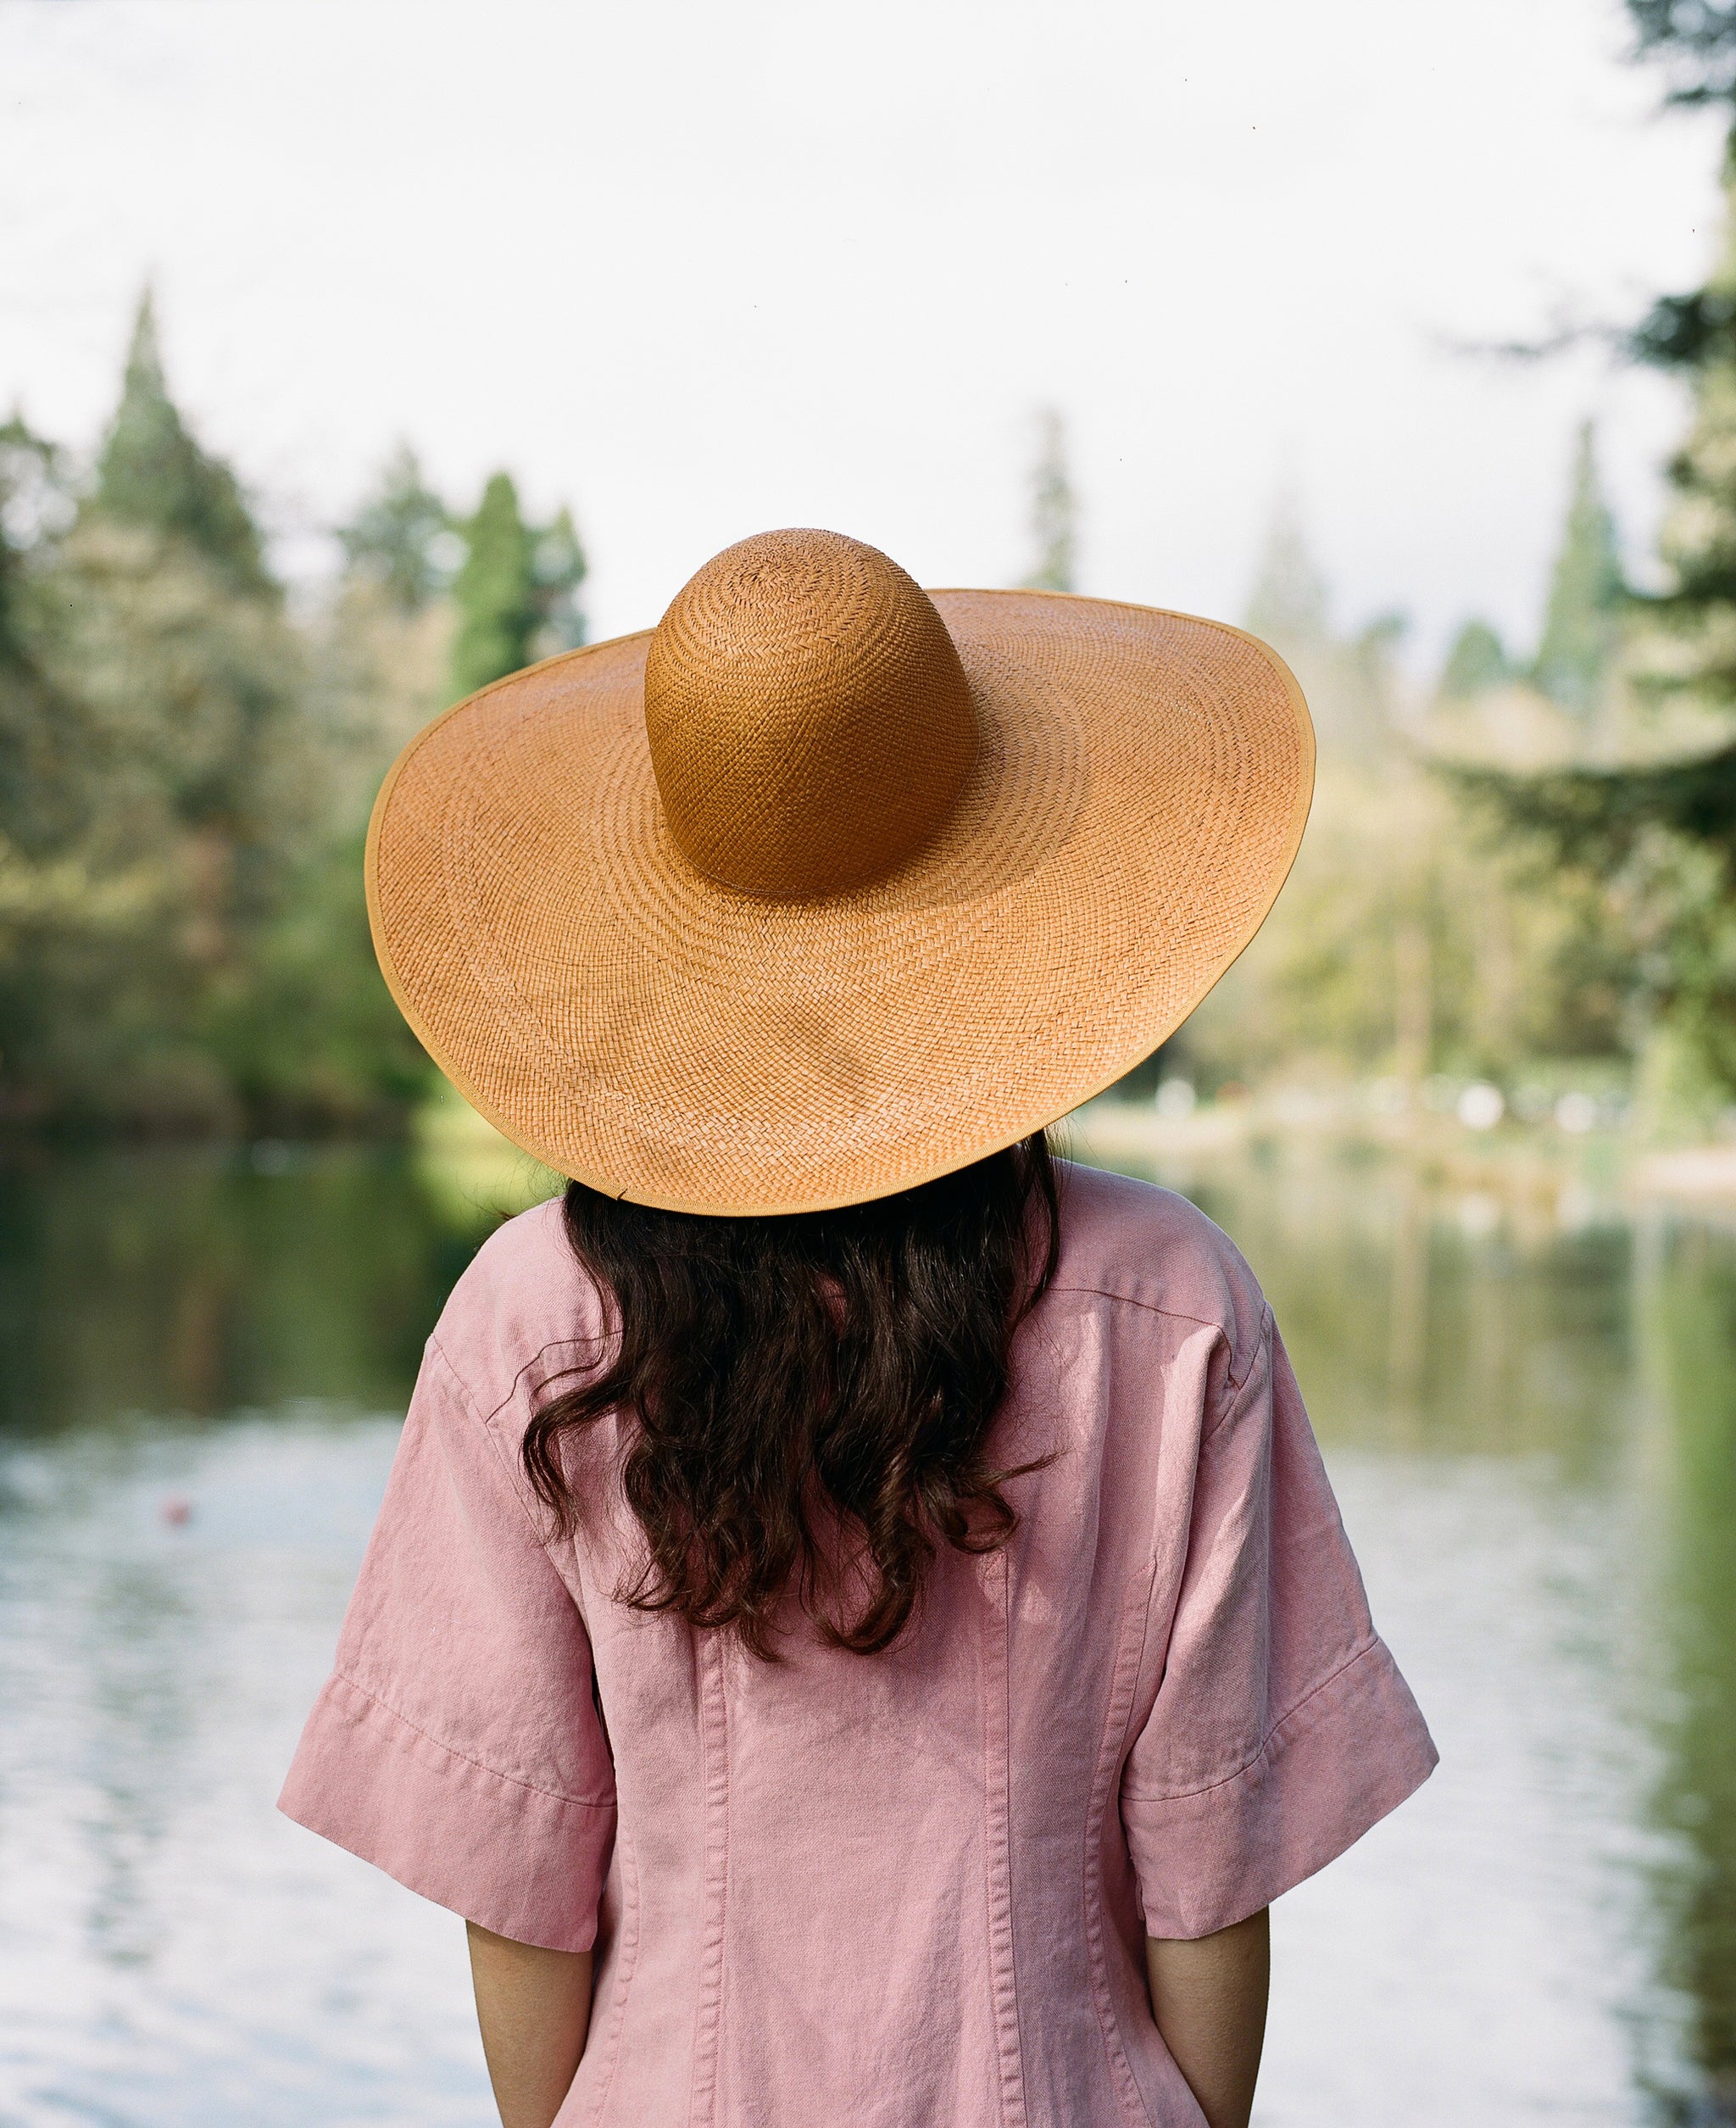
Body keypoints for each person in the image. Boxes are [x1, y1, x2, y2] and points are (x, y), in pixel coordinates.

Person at [280, 527, 1436, 2128]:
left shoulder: (532, 1318)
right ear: (1011, 897)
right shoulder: (1170, 1305)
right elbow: (1209, 1863)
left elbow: (521, 1883)